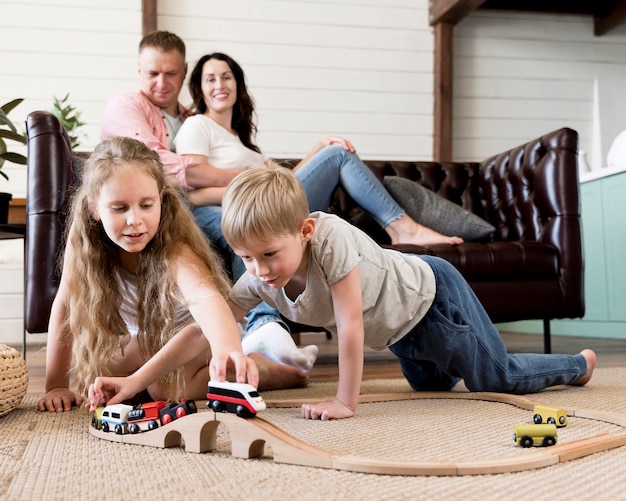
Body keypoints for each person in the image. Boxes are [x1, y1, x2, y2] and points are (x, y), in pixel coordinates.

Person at [218, 167, 597, 421]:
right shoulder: (258, 278)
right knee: (429, 387)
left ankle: (578, 365)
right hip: (400, 333)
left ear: (304, 232)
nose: (259, 269)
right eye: (246, 257)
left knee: (494, 377)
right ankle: (463, 354)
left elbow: (351, 324)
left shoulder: (330, 237)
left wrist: (343, 401)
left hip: (432, 299)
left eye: (269, 255)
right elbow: (215, 317)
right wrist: (160, 370)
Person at [37, 137, 308, 413]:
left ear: (162, 200)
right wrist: (56, 385)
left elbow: (206, 300)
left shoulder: (174, 248)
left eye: (146, 205)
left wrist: (227, 348)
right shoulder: (84, 239)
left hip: (197, 338)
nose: (134, 220)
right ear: (94, 208)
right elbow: (66, 302)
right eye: (119, 208)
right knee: (102, 377)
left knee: (164, 389)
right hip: (144, 339)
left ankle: (262, 368)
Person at [100, 30, 316, 373]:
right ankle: (264, 327)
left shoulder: (189, 118)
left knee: (247, 226)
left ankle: (262, 332)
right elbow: (157, 165)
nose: (161, 82)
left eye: (171, 73)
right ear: (138, 70)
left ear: (184, 72)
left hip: (183, 209)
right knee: (238, 228)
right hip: (168, 210)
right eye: (153, 73)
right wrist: (240, 176)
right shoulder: (127, 107)